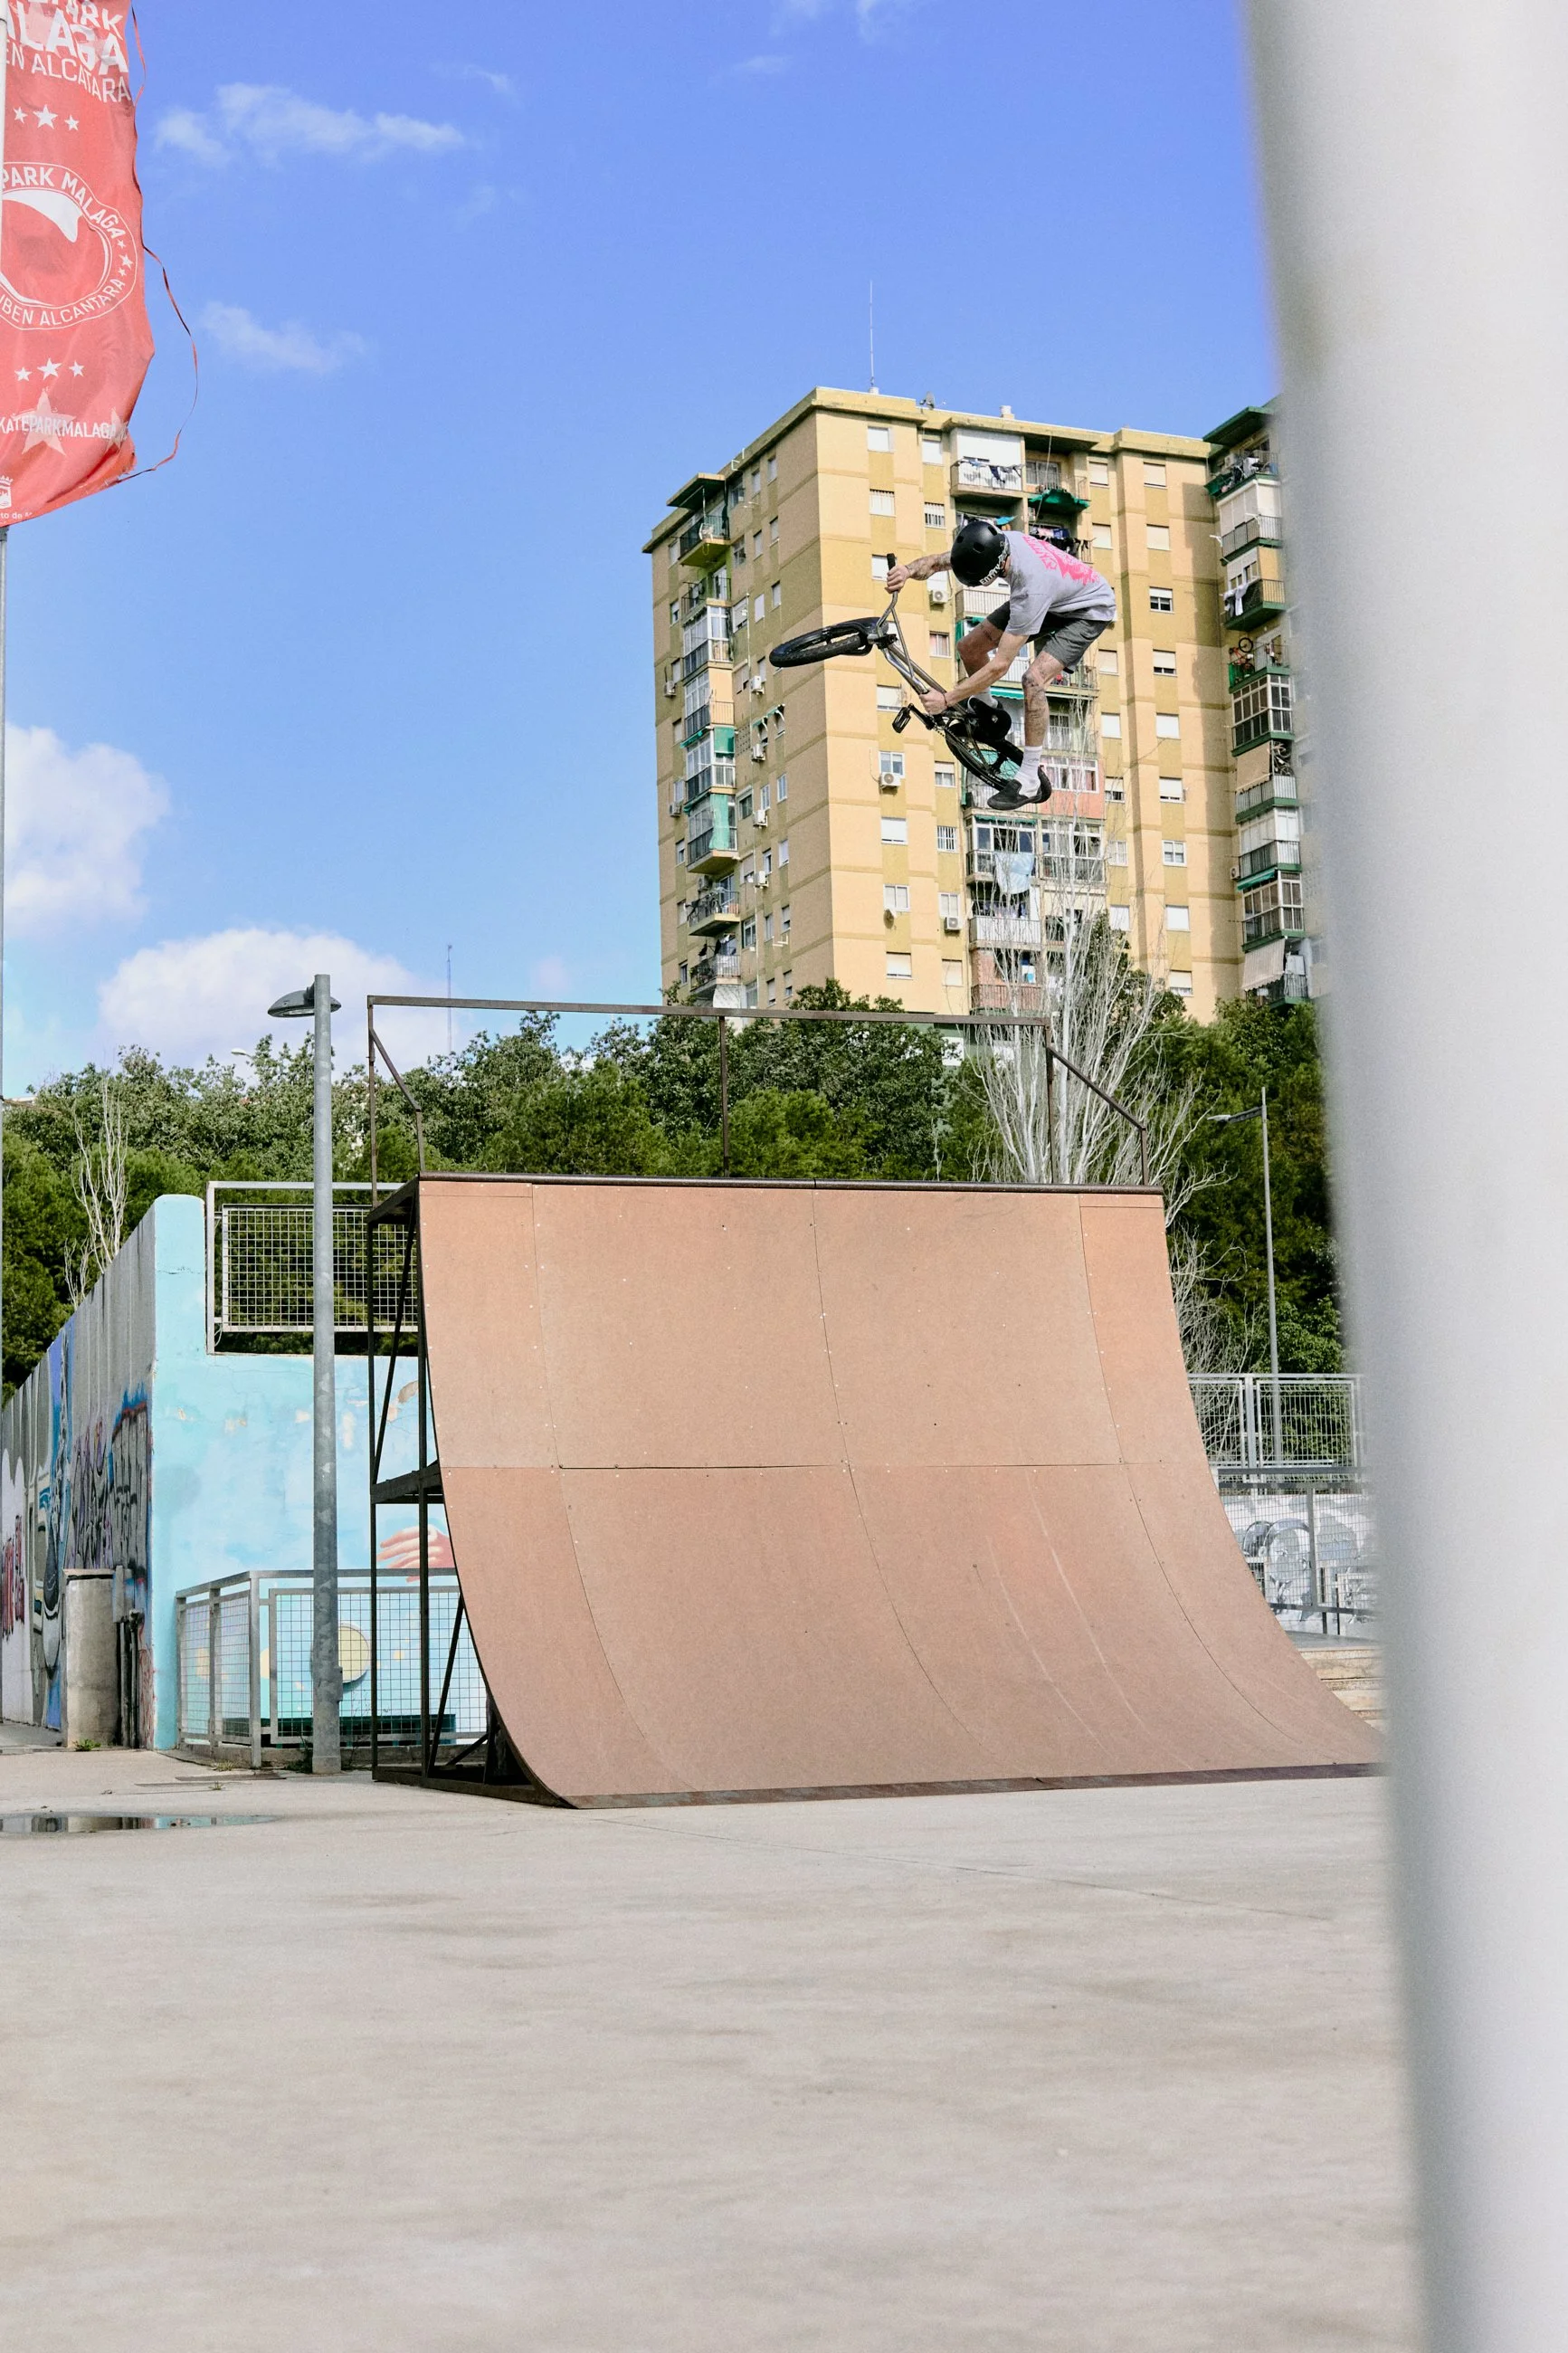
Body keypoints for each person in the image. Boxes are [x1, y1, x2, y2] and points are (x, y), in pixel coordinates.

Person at [886, 517, 1117, 808]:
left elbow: (1000, 665)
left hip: (1088, 611)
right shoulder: (997, 544)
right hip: (1057, 594)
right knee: (969, 647)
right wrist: (906, 570)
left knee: (1033, 680)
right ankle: (990, 714)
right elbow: (936, 562)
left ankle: (1030, 778)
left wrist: (947, 699)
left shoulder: (1030, 590)